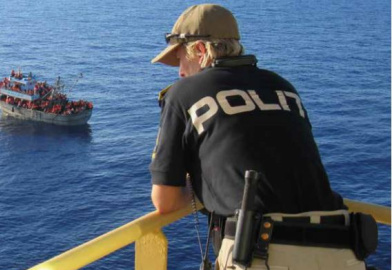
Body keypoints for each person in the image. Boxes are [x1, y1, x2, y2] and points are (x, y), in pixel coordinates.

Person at [149, 4, 374, 270]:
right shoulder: (281, 86)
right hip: (342, 251)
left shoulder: (183, 93)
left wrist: (198, 185)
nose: (180, 72)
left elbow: (165, 201)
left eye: (180, 60)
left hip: (264, 254)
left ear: (199, 50)